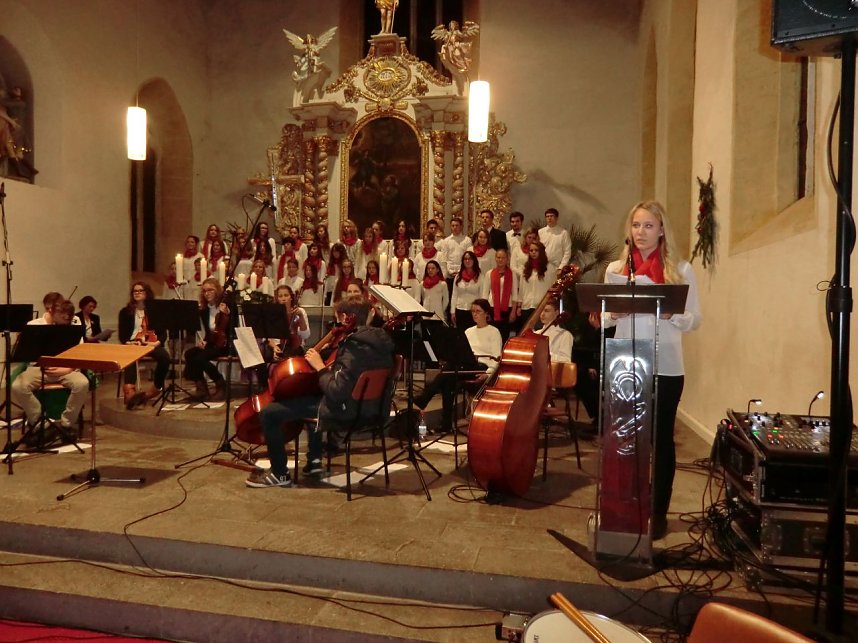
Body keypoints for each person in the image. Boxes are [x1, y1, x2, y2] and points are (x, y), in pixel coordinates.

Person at [602, 200, 701, 539]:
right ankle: (626, 505)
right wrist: (611, 315)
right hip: (626, 363)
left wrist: (673, 314)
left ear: (661, 230)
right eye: (635, 225)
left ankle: (657, 511)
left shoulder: (681, 270)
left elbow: (695, 320)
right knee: (626, 439)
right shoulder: (616, 269)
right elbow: (601, 318)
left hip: (666, 364)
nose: (640, 232)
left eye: (647, 226)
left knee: (661, 441)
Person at [246, 299, 395, 487]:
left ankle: (279, 474)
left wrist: (320, 367)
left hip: (347, 411)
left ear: (345, 318)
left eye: (338, 318)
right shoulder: (380, 343)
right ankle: (314, 462)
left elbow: (336, 391)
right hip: (372, 410)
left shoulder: (353, 347)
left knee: (270, 413)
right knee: (311, 397)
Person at [414, 299, 501, 433]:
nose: (475, 314)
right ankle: (446, 425)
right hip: (464, 365)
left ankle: (426, 397)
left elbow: (497, 359)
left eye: (478, 311)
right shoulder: (468, 331)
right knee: (448, 380)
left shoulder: (494, 332)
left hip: (481, 367)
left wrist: (488, 374)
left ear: (487, 314)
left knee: (448, 372)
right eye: (473, 311)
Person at [12, 299, 88, 432]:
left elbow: (81, 355)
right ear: (52, 313)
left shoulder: (74, 329)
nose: (65, 318)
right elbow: (28, 353)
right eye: (61, 315)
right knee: (18, 386)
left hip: (66, 369)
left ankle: (67, 422)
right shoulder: (37, 327)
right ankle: (39, 420)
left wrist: (68, 368)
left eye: (67, 317)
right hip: (39, 368)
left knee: (82, 384)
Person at [118, 282, 171, 409]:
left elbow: (163, 335)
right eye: (135, 291)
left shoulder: (155, 311)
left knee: (165, 357)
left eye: (140, 291)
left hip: (150, 343)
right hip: (132, 343)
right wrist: (130, 343)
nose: (137, 293)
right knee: (131, 355)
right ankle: (130, 393)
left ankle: (156, 388)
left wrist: (155, 345)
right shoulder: (125, 312)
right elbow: (122, 335)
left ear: (147, 293)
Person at [184, 278, 231, 401]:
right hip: (212, 343)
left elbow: (232, 328)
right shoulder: (204, 311)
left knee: (199, 358)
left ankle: (220, 383)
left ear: (218, 291)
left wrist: (227, 313)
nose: (207, 293)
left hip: (225, 344)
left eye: (210, 290)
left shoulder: (227, 306)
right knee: (189, 354)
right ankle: (201, 387)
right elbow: (210, 332)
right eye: (204, 291)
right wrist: (204, 341)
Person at [516, 241, 555, 324]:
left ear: (541, 251)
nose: (533, 252)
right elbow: (521, 290)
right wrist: (519, 306)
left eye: (536, 250)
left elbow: (553, 288)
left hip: (541, 307)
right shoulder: (526, 268)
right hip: (526, 307)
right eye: (531, 250)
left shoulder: (549, 268)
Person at [486, 248, 518, 342]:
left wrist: (513, 311)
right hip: (492, 308)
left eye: (503, 258)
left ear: (507, 259)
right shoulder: (489, 273)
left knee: (504, 335)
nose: (500, 260)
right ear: (495, 258)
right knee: (492, 335)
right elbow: (485, 294)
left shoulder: (512, 273)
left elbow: (515, 294)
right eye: (498, 257)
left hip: (506, 309)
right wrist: (486, 312)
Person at [450, 251, 487, 329]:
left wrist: (481, 312)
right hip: (459, 310)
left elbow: (482, 296)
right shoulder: (458, 276)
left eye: (470, 259)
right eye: (465, 259)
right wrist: (452, 312)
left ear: (474, 260)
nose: (467, 261)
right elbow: (454, 295)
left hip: (474, 312)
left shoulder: (480, 276)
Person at [441, 216, 472, 298]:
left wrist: (460, 272)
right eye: (453, 225)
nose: (455, 227)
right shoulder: (446, 241)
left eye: (457, 225)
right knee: (450, 297)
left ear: (461, 226)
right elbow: (444, 259)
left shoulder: (467, 240)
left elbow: (468, 258)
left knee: (461, 297)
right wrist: (450, 271)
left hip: (462, 274)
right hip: (449, 274)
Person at [536, 299, 572, 363]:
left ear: (556, 312)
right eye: (541, 311)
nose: (542, 314)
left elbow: (566, 360)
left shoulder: (565, 335)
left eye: (546, 311)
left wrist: (547, 355)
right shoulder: (535, 333)